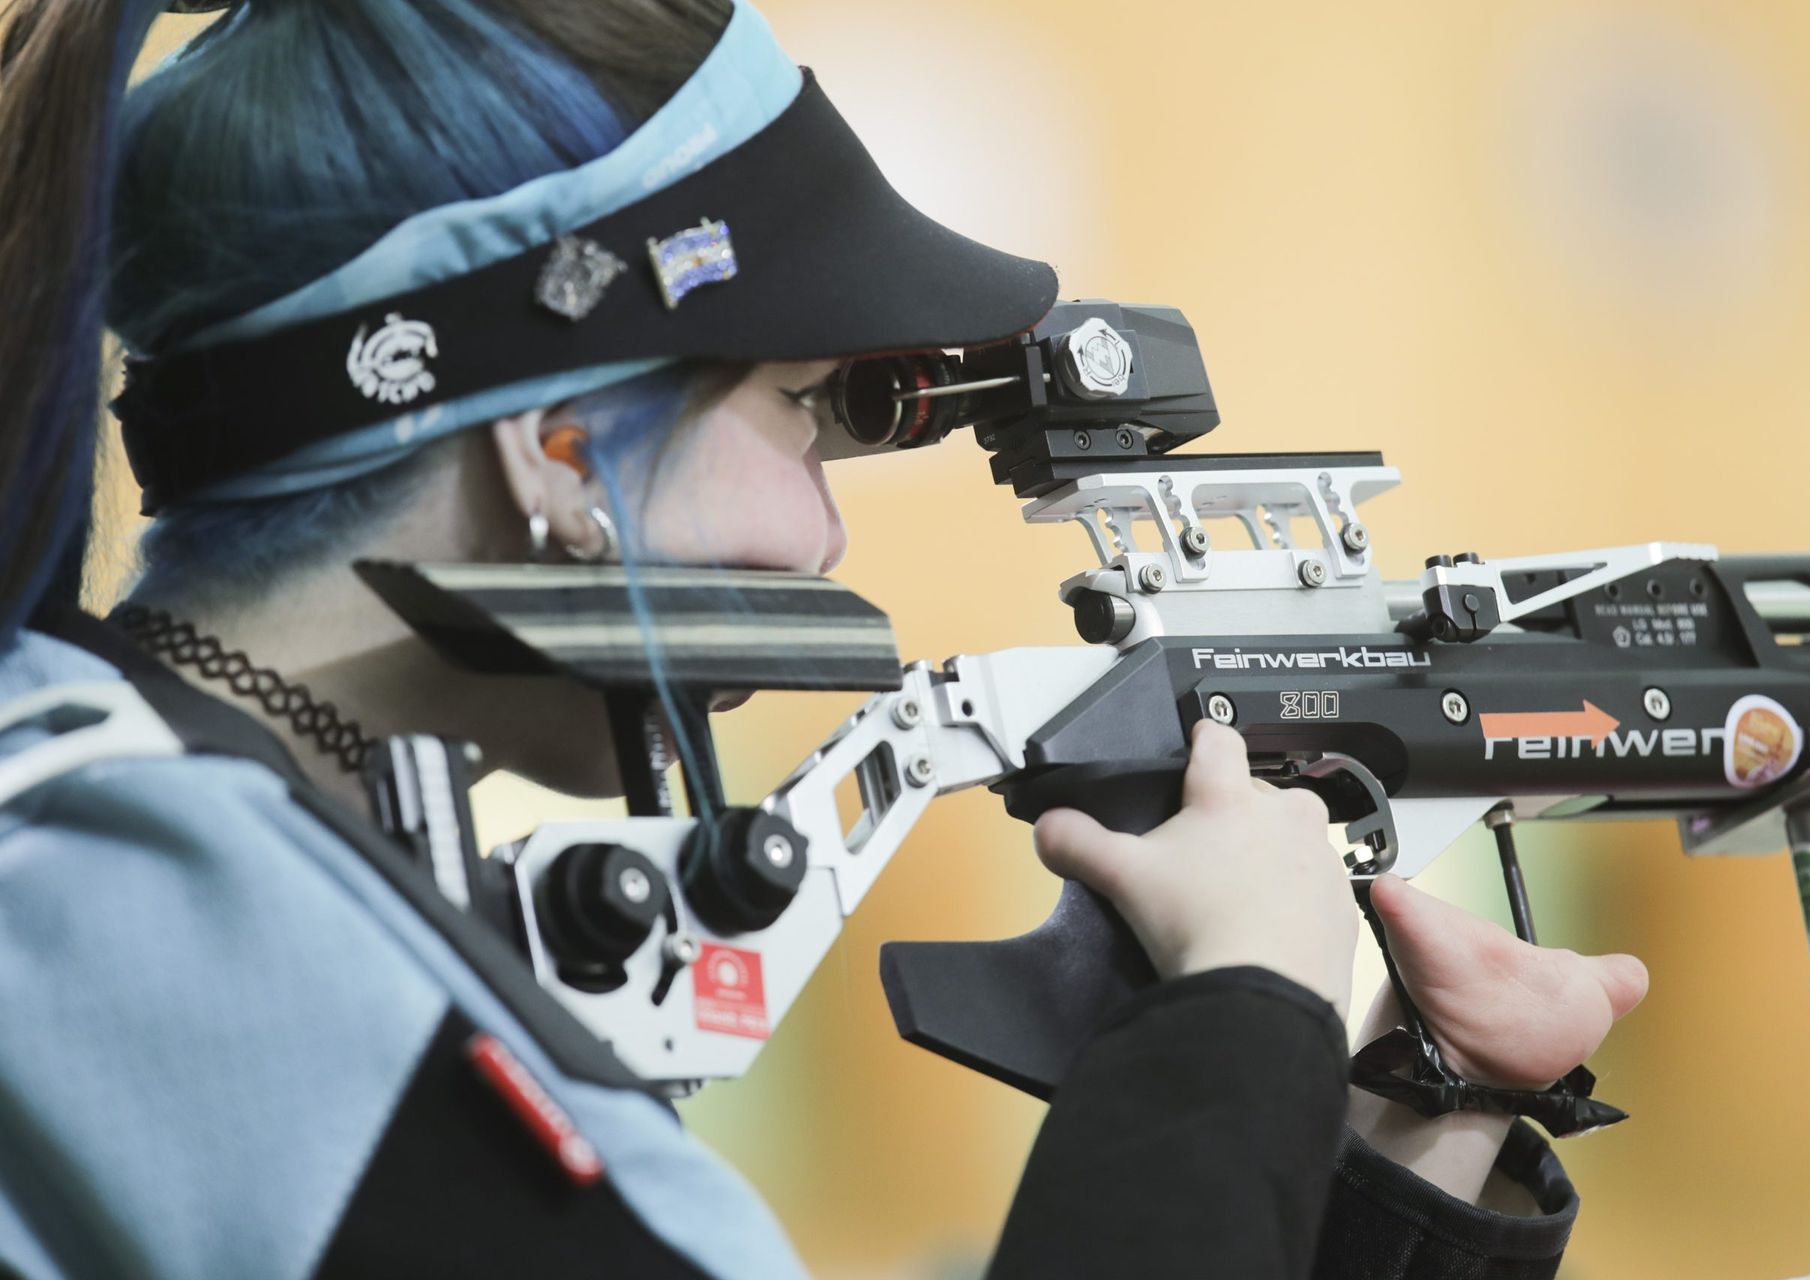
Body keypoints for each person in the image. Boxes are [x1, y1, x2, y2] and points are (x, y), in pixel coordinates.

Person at [0, 1, 1648, 1276]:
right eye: (800, 414)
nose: (824, 536)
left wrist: (1418, 1113)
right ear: (559, 447)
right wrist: (1239, 1013)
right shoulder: (146, 892)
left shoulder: (153, 831)